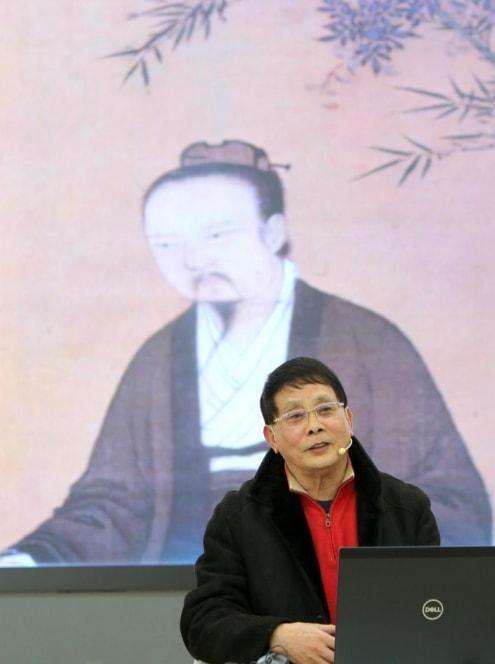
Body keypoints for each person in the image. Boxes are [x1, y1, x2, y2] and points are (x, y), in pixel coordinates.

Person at [2, 140, 490, 566]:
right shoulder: (159, 359)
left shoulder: (368, 342)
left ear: (273, 232)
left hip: (333, 582)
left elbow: (451, 500)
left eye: (217, 236)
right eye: (167, 244)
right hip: (196, 581)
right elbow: (113, 502)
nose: (194, 260)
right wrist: (37, 556)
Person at [180, 357, 441, 664]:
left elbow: (434, 609)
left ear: (349, 420)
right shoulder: (238, 517)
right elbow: (203, 622)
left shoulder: (407, 507)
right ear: (272, 438)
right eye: (295, 416)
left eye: (325, 410)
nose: (315, 426)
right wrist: (277, 635)